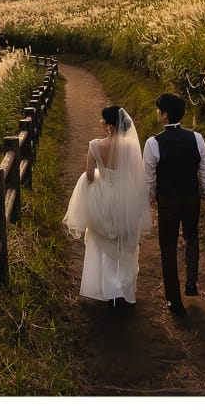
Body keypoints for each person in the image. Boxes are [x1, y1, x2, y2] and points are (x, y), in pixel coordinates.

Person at [62, 105, 152, 306]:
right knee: (124, 242)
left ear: (110, 125)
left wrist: (101, 177)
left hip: (102, 199)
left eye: (103, 119)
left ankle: (107, 289)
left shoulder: (95, 145)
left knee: (102, 241)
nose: (100, 122)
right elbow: (137, 176)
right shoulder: (131, 147)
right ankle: (124, 290)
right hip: (126, 199)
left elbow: (89, 175)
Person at [143, 92, 205, 317]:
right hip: (191, 198)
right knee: (191, 237)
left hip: (168, 201)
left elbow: (149, 179)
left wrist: (147, 201)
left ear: (165, 115)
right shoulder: (197, 138)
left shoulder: (153, 143)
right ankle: (191, 281)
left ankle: (174, 299)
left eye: (159, 110)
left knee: (168, 246)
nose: (157, 113)